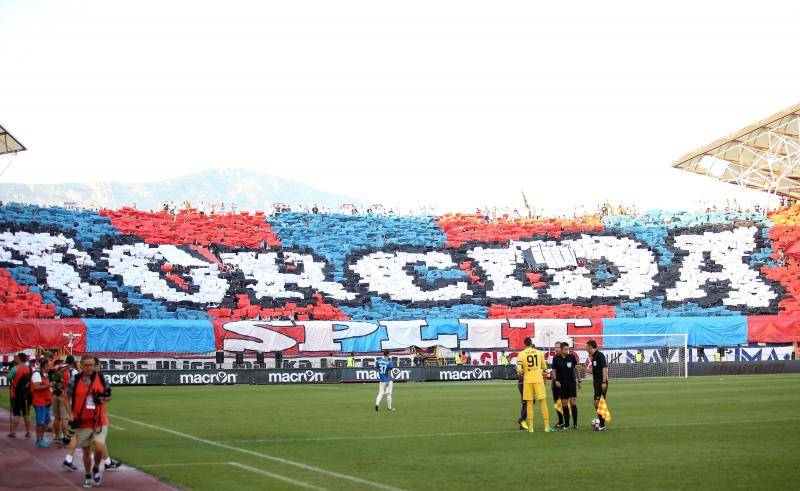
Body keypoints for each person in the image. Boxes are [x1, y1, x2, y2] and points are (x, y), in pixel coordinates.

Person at [64, 356, 111, 487]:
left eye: (92, 365)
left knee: (99, 447)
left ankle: (96, 467)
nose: (90, 367)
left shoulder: (101, 378)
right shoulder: (76, 379)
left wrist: (103, 398)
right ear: (81, 366)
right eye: (87, 365)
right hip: (82, 422)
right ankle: (88, 475)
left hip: (99, 420)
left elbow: (109, 395)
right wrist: (70, 414)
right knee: (86, 451)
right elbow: (66, 397)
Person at [516, 337, 552, 433]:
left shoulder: (521, 354)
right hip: (538, 380)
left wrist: (524, 371)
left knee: (529, 403)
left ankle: (531, 428)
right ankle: (546, 427)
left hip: (527, 380)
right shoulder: (539, 352)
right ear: (531, 343)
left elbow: (519, 370)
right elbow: (544, 366)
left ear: (524, 344)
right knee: (543, 402)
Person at [552, 342, 580, 430]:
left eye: (567, 349)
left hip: (571, 382)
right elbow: (553, 370)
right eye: (565, 349)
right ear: (560, 349)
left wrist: (579, 380)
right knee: (564, 403)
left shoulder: (571, 357)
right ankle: (567, 424)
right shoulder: (556, 358)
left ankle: (575, 424)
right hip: (561, 383)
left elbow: (577, 368)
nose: (567, 351)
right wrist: (555, 381)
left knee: (573, 402)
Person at [581, 340, 608, 431]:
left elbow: (604, 368)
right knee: (599, 403)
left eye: (586, 347)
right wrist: (581, 368)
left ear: (589, 347)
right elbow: (592, 371)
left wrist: (604, 382)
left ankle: (602, 424)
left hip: (601, 382)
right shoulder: (594, 357)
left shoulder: (600, 355)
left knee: (598, 403)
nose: (585, 349)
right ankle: (602, 423)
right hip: (596, 382)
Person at [8, 352, 32, 438]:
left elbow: (9, 378)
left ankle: (13, 432)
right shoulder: (29, 368)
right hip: (26, 395)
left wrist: (10, 372)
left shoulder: (15, 368)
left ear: (19, 359)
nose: (16, 359)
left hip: (16, 394)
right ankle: (28, 432)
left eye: (17, 358)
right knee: (26, 414)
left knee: (16, 414)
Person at [31, 357, 54, 447]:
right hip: (39, 401)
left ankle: (41, 438)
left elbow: (46, 386)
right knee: (40, 421)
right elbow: (36, 387)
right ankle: (38, 440)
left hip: (46, 401)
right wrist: (48, 385)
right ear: (44, 366)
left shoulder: (45, 374)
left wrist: (50, 387)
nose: (50, 367)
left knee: (46, 420)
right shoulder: (37, 374)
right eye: (48, 366)